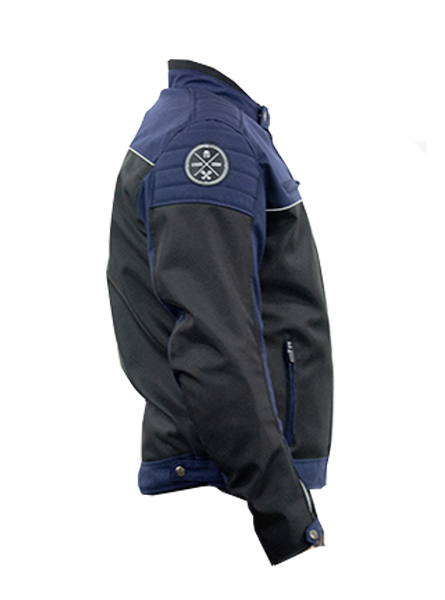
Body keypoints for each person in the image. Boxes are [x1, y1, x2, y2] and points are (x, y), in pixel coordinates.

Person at [107, 59, 333, 565]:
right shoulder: (208, 134)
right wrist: (286, 517)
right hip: (232, 490)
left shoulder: (214, 122)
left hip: (233, 478)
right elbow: (216, 347)